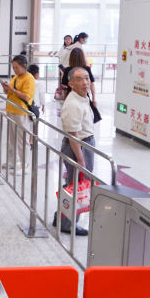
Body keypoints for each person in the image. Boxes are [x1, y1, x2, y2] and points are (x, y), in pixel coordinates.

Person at [55, 67, 93, 236]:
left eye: (87, 78)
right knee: (76, 186)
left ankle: (60, 216)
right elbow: (73, 136)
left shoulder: (82, 97)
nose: (85, 82)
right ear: (70, 83)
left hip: (84, 144)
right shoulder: (73, 104)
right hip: (78, 147)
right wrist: (81, 159)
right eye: (79, 79)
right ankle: (68, 224)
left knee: (73, 184)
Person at [0, 55, 36, 168]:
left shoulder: (29, 78)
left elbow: (26, 96)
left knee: (22, 139)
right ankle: (12, 161)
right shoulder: (16, 77)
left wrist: (12, 90)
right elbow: (9, 92)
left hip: (21, 112)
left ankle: (24, 164)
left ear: (24, 66)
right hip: (11, 109)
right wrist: (6, 88)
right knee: (11, 138)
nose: (14, 70)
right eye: (13, 67)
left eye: (16, 67)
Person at [60, 48, 97, 115]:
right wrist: (94, 99)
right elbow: (92, 84)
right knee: (85, 115)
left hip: (71, 95)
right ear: (83, 57)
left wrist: (62, 74)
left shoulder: (68, 70)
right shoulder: (87, 69)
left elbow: (64, 84)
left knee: (72, 115)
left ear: (71, 58)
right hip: (84, 95)